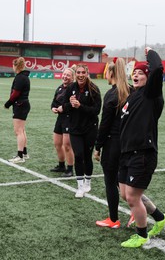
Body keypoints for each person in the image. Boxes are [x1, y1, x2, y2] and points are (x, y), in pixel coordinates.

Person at [119, 47, 165, 248]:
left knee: (132, 197)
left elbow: (158, 67)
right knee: (126, 194)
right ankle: (160, 218)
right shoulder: (134, 95)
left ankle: (142, 235)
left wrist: (150, 52)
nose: (136, 76)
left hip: (142, 153)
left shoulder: (151, 94)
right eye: (134, 73)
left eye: (140, 73)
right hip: (126, 153)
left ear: (148, 78)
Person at [93, 57, 131, 228]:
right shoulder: (131, 91)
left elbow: (105, 125)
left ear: (111, 73)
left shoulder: (111, 95)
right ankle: (138, 212)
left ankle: (114, 219)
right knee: (123, 181)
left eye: (107, 72)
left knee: (111, 181)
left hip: (113, 144)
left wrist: (98, 147)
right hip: (128, 144)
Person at [57, 64, 101, 198]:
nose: (81, 75)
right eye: (78, 72)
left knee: (87, 156)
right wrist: (70, 104)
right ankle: (80, 186)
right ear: (76, 74)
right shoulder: (71, 87)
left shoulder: (94, 89)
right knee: (79, 155)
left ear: (87, 73)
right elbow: (64, 107)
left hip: (90, 128)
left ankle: (88, 182)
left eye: (83, 72)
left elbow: (96, 111)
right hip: (75, 128)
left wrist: (80, 106)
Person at [4, 57, 31, 163]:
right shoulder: (24, 77)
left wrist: (8, 103)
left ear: (15, 66)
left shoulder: (20, 77)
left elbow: (16, 93)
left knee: (18, 131)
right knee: (22, 130)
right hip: (23, 104)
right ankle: (24, 153)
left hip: (20, 105)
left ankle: (20, 156)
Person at [50, 68, 75, 177]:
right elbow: (54, 102)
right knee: (57, 143)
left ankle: (70, 169)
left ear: (72, 78)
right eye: (64, 74)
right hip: (60, 119)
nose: (65, 76)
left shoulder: (74, 89)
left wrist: (63, 108)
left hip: (69, 119)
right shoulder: (60, 88)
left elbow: (73, 105)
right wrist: (53, 108)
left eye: (68, 75)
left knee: (67, 146)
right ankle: (61, 165)